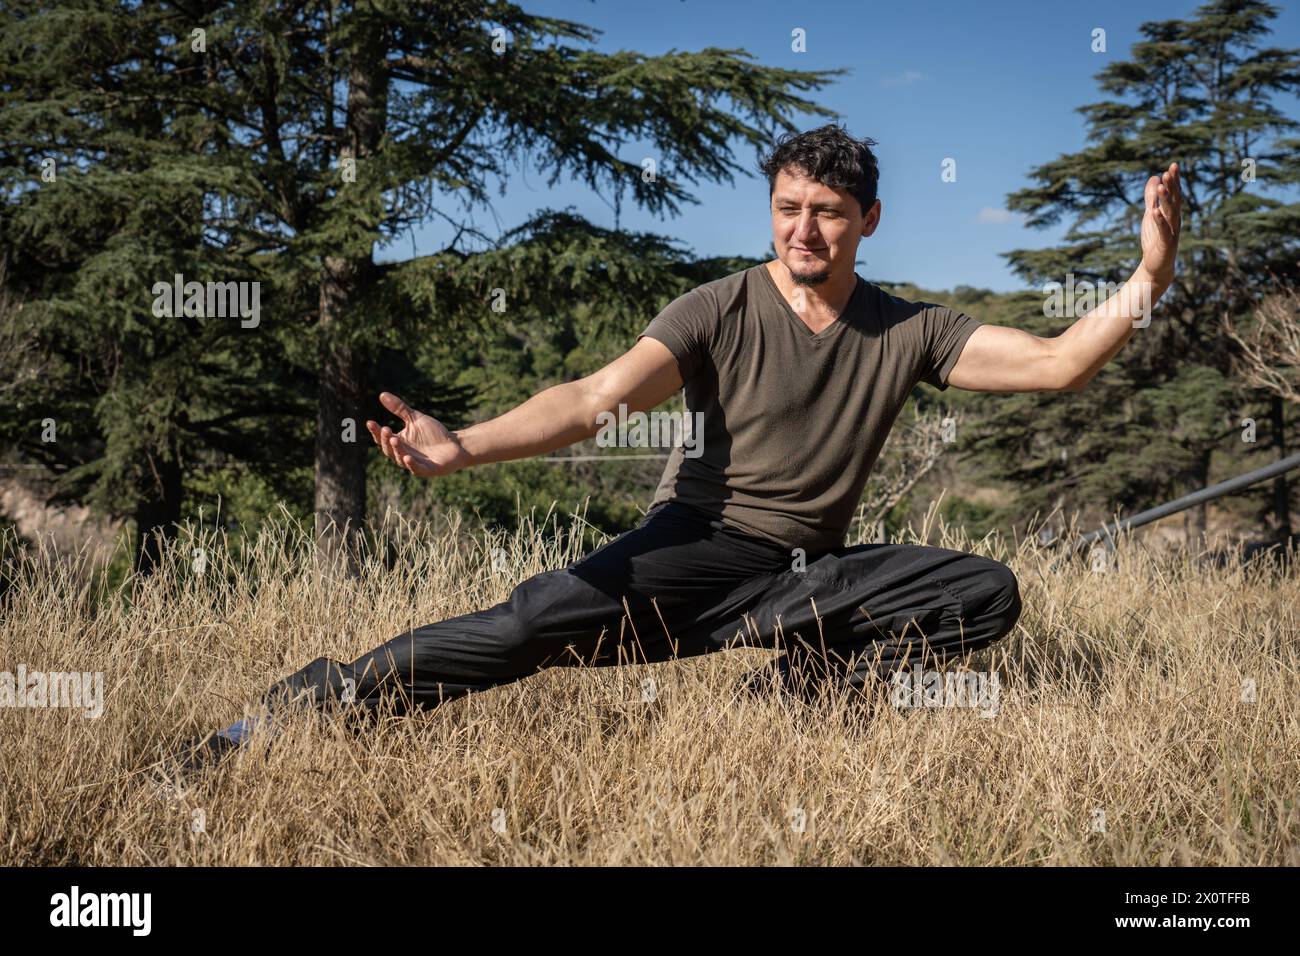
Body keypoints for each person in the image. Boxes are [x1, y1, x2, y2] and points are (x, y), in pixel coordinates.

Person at [174, 124, 1181, 772]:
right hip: (698, 543)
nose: (804, 230)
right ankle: (279, 720)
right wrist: (465, 446)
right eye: (788, 208)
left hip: (806, 571)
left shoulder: (910, 329)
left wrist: (1150, 274)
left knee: (983, 590)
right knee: (526, 625)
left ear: (868, 219)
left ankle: (797, 689)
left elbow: (1057, 364)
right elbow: (594, 400)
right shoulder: (719, 306)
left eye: (828, 213)